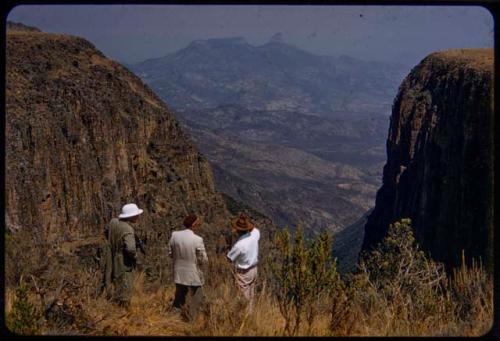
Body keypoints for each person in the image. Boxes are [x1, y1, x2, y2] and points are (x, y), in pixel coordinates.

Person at [168, 214, 208, 321]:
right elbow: (203, 259)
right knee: (197, 295)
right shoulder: (197, 239)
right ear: (194, 225)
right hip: (193, 272)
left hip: (178, 271)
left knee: (180, 294)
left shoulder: (175, 235)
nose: (198, 226)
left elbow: (170, 253)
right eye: (198, 224)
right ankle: (191, 318)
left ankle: (173, 317)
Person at [106, 203, 143, 308]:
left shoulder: (113, 222)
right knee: (126, 284)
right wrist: (135, 257)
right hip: (123, 260)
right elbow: (131, 248)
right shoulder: (128, 229)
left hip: (113, 256)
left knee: (117, 281)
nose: (138, 217)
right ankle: (123, 309)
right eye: (136, 215)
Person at [226, 213, 260, 311]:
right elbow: (254, 229)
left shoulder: (239, 245)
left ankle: (245, 317)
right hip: (254, 269)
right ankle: (250, 313)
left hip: (243, 272)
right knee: (251, 294)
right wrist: (245, 221)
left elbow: (229, 258)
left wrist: (229, 246)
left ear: (237, 230)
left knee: (243, 297)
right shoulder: (255, 234)